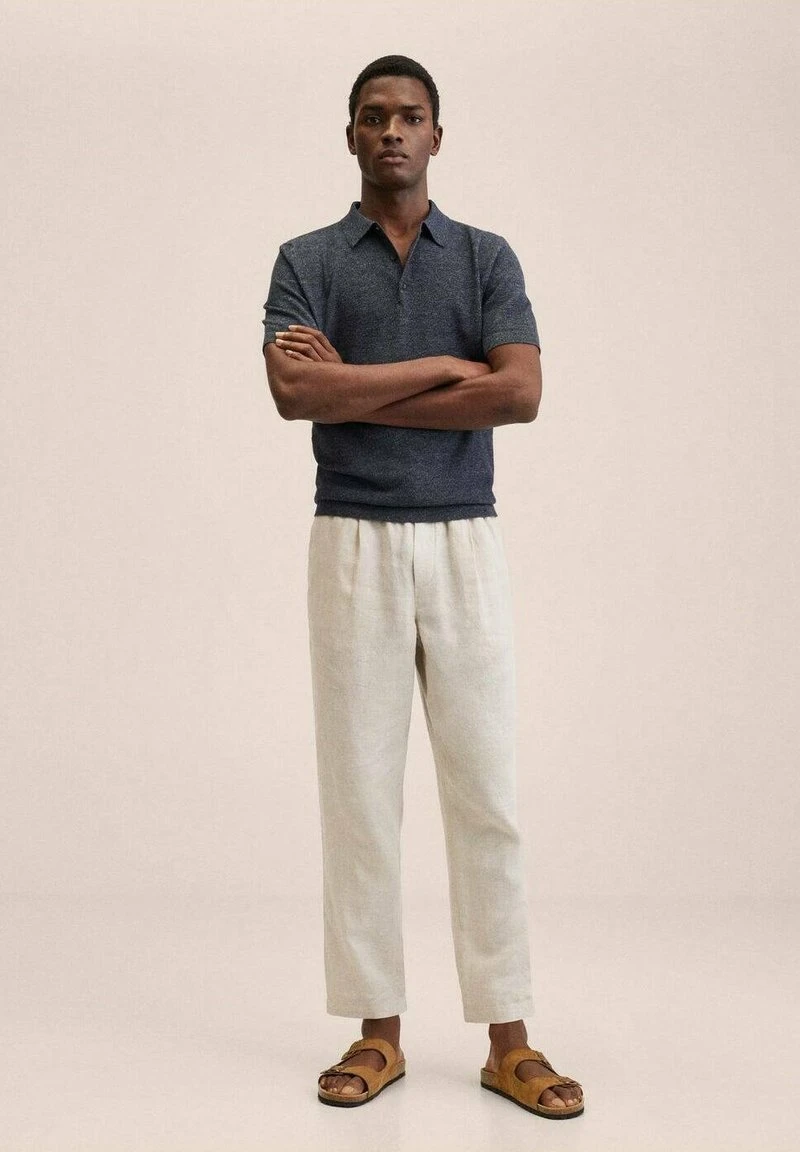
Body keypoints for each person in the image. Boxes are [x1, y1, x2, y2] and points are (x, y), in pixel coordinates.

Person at [261, 54, 584, 1119]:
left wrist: (351, 390)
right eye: (372, 116)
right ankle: (377, 1032)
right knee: (359, 794)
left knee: (486, 790)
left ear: (437, 136)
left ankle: (508, 1038)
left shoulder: (485, 257)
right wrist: (446, 370)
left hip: (462, 538)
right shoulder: (307, 260)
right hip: (350, 537)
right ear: (349, 136)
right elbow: (292, 392)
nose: (391, 131)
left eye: (409, 116)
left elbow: (521, 394)